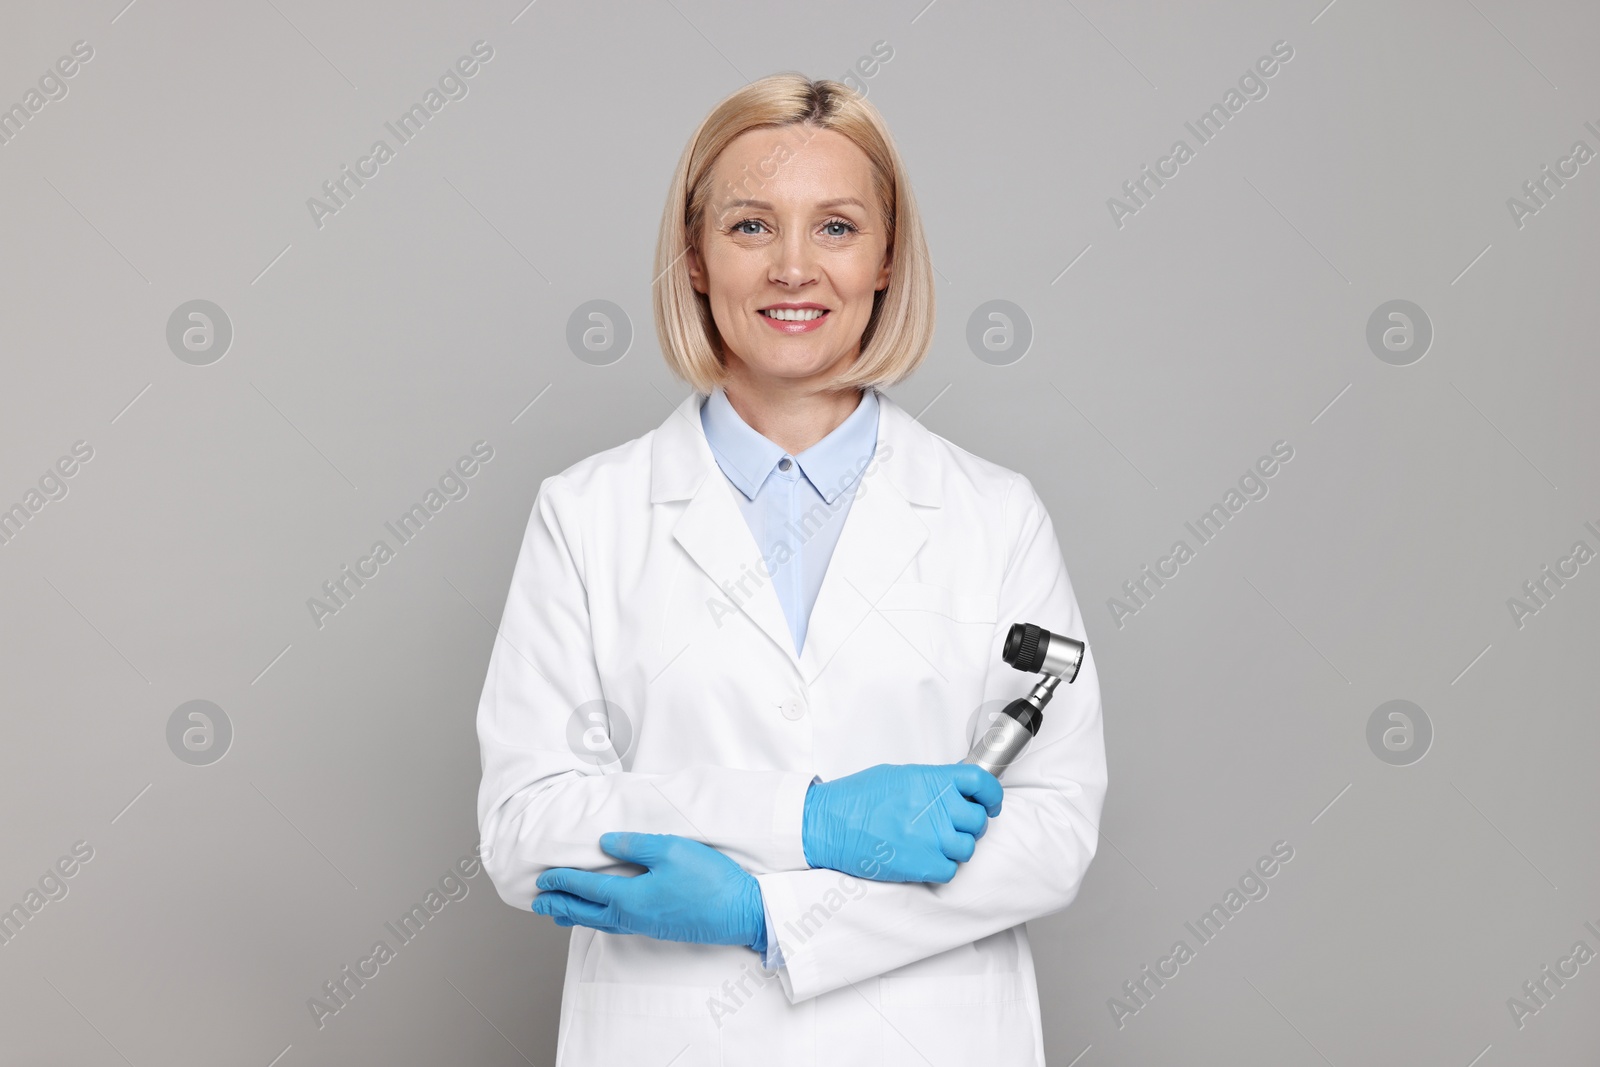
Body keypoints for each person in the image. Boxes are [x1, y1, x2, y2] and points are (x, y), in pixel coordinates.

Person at [475, 72, 1107, 1065]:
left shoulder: (992, 514)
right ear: (694, 256)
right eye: (751, 227)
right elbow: (528, 825)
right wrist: (810, 819)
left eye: (838, 227)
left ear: (888, 256)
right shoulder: (588, 513)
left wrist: (766, 911)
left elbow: (1049, 836)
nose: (794, 268)